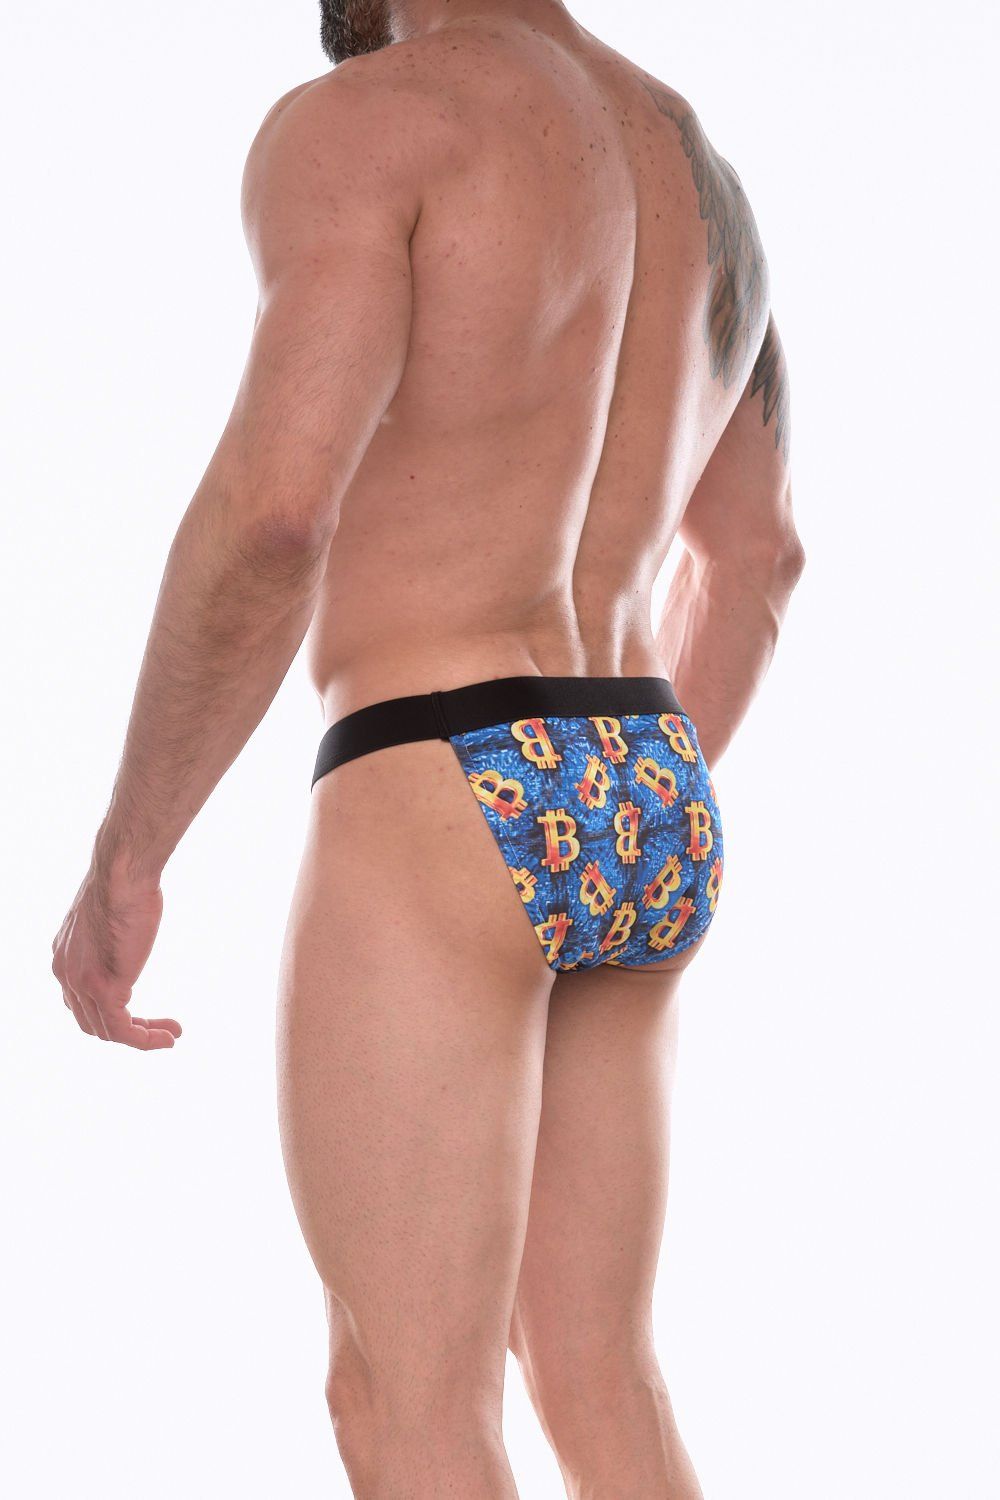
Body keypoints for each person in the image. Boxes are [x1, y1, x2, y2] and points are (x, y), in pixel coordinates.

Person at [51, 1, 804, 1495]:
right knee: (603, 1373)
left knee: (406, 1402)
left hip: (444, 756)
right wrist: (610, 809)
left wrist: (131, 852)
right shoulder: (691, 163)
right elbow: (761, 558)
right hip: (647, 781)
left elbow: (278, 514)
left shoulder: (374, 123)